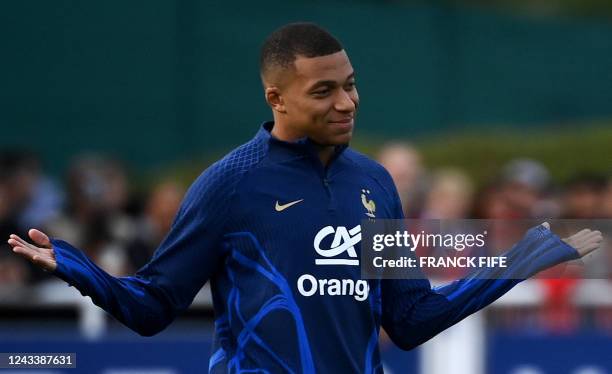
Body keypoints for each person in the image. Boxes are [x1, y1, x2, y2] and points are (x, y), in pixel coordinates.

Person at [7, 23, 603, 373]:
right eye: (324, 91)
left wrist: (519, 260)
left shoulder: (374, 184)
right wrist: (78, 267)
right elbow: (154, 306)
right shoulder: (230, 184)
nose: (347, 103)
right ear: (277, 98)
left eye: (350, 85)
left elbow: (412, 319)